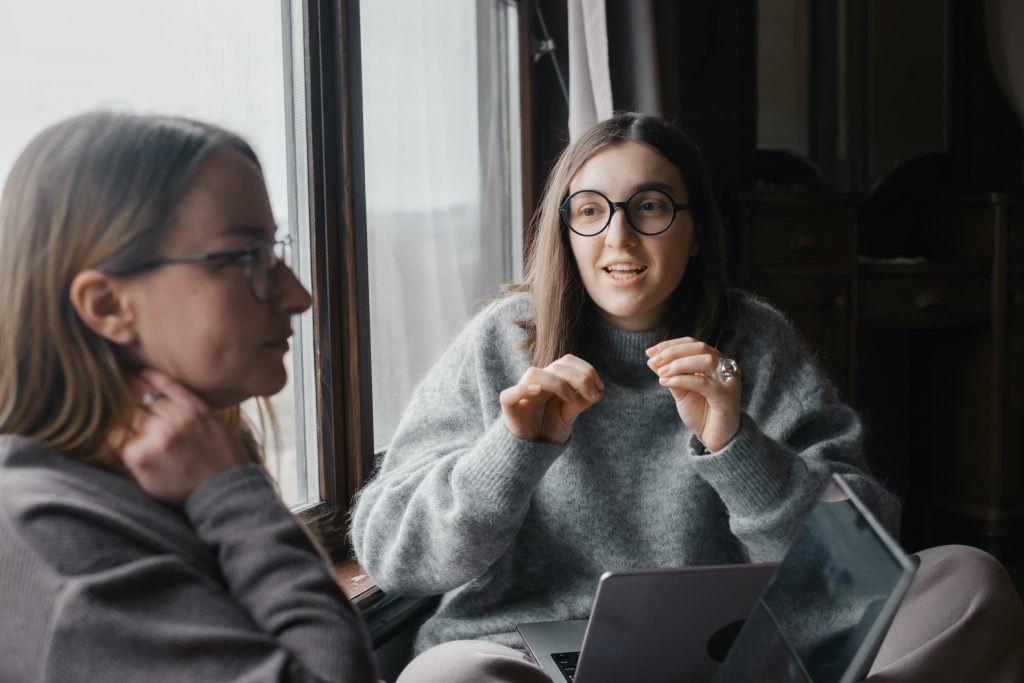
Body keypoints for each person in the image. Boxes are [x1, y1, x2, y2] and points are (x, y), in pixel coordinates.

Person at [350, 112, 1024, 682]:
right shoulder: (500, 342)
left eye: (649, 206)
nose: (618, 237)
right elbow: (389, 553)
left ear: (696, 230)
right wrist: (510, 452)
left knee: (971, 582)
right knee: (444, 677)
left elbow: (863, 557)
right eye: (590, 211)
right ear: (565, 233)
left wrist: (738, 446)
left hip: (734, 655)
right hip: (533, 656)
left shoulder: (754, 340)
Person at [0, 112, 378, 682]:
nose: (298, 296)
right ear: (108, 305)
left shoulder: (166, 467)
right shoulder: (56, 541)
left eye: (274, 251)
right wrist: (233, 495)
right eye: (246, 257)